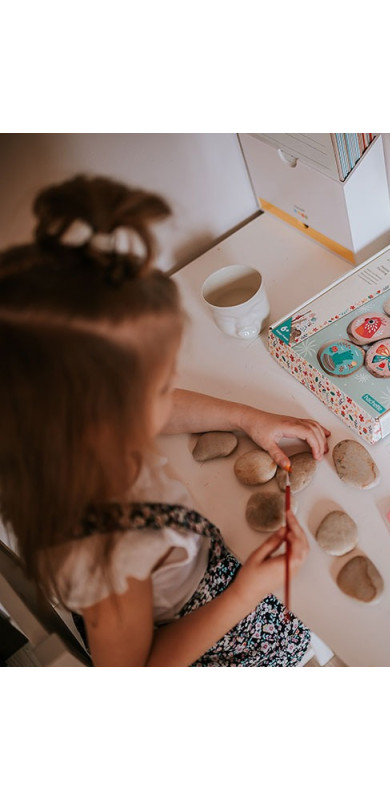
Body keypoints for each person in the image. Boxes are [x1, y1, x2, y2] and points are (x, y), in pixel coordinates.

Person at [0, 174, 331, 666]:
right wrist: (247, 591)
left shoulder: (54, 424)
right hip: (195, 635)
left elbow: (155, 409)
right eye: (156, 384)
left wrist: (247, 417)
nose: (170, 384)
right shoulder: (103, 549)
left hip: (191, 572)